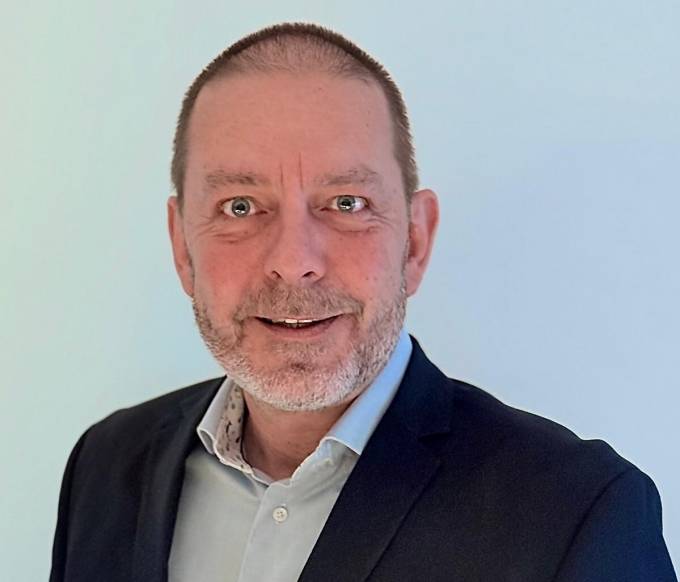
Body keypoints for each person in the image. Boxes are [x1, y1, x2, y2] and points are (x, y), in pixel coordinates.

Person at [50, 22, 676, 582]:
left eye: (347, 203)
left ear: (416, 241)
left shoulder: (577, 515)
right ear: (181, 246)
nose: (294, 260)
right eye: (240, 207)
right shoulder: (105, 467)